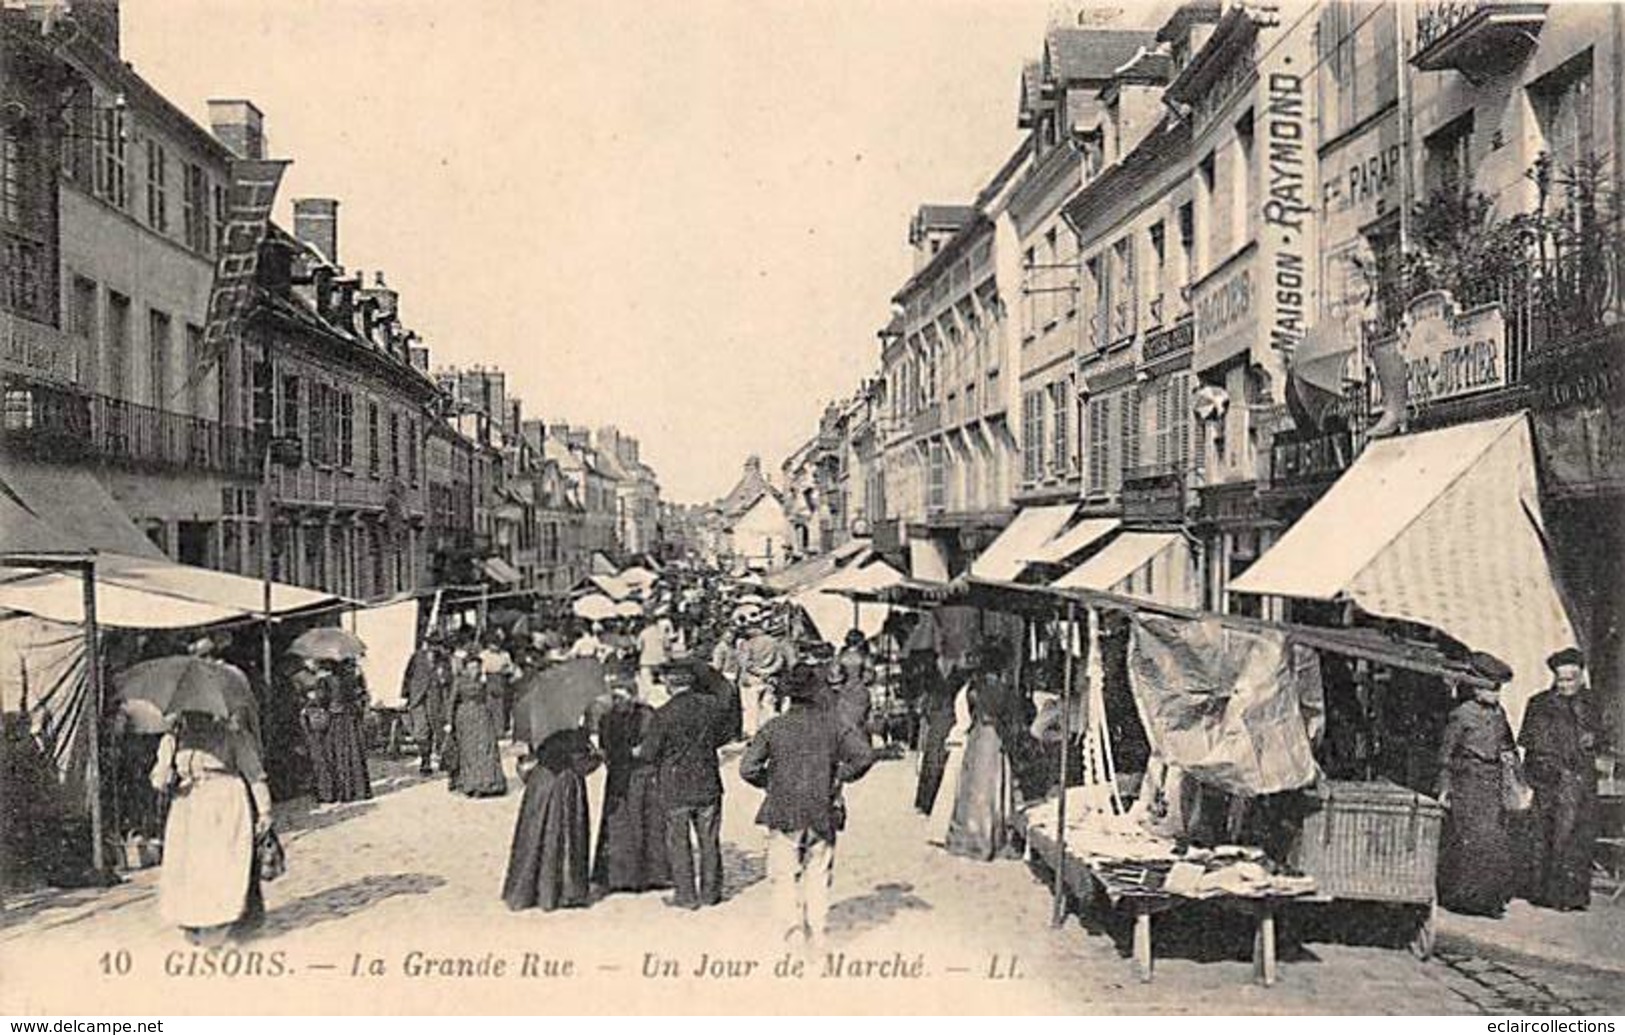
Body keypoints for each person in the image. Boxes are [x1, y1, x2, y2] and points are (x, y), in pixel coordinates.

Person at [740, 668, 874, 948]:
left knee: (784, 874)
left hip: (783, 808)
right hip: (822, 808)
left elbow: (748, 768)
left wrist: (771, 783)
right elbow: (863, 755)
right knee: (819, 872)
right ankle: (819, 933)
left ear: (788, 695)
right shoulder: (833, 724)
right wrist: (839, 775)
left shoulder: (774, 727)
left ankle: (792, 935)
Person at [150, 711, 272, 945]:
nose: (195, 717)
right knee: (189, 867)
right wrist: (164, 775)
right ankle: (194, 921)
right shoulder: (173, 740)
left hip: (225, 804)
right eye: (190, 712)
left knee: (222, 863)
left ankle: (222, 923)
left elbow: (255, 774)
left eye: (200, 712)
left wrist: (264, 811)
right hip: (188, 807)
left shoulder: (232, 735)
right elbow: (158, 777)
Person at [638, 660, 740, 909]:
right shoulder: (712, 707)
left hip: (675, 784)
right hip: (707, 780)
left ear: (670, 684)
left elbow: (649, 753)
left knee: (679, 841)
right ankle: (711, 893)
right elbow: (726, 734)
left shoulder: (662, 714)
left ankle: (686, 895)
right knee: (709, 839)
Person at [1520, 646, 1613, 911]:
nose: (1564, 685)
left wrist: (1595, 740)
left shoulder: (1593, 703)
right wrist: (1542, 773)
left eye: (1570, 680)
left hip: (1583, 779)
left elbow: (1605, 736)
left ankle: (1574, 896)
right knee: (1549, 835)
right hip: (1550, 779)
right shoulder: (1540, 704)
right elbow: (1531, 743)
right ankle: (1548, 895)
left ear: (1581, 677)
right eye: (1560, 679)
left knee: (1580, 836)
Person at [1436, 652, 1520, 917]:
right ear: (1476, 688)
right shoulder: (1462, 714)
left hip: (1492, 781)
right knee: (1470, 840)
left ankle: (1488, 900)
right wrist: (1444, 788)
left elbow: (1508, 744)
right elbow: (1445, 755)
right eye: (1491, 689)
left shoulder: (1499, 714)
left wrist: (1514, 768)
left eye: (1498, 690)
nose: (1496, 696)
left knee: (1493, 842)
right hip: (1467, 779)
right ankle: (1463, 899)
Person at [502, 727, 601, 912]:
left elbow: (524, 761)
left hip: (541, 783)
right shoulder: (576, 731)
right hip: (568, 785)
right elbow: (586, 763)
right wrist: (597, 755)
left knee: (534, 836)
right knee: (566, 836)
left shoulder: (538, 720)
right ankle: (566, 891)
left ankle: (527, 891)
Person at [591, 684, 671, 894]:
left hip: (634, 775)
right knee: (629, 824)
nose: (619, 700)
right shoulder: (612, 718)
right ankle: (632, 875)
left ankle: (640, 874)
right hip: (628, 776)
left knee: (638, 823)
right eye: (616, 696)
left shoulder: (643, 715)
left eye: (622, 695)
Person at [947, 640, 1021, 861]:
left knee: (974, 787)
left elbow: (970, 710)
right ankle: (989, 839)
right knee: (992, 787)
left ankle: (971, 839)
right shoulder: (1003, 688)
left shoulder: (976, 686)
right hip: (994, 736)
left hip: (978, 734)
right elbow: (1010, 713)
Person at [449, 655, 507, 797]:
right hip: (465, 717)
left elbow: (498, 693)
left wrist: (489, 682)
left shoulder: (484, 680)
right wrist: (449, 722)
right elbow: (451, 702)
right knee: (469, 751)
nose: (475, 670)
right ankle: (471, 784)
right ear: (466, 668)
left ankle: (490, 784)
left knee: (486, 748)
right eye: (472, 667)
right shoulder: (459, 681)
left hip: (482, 716)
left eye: (477, 667)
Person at [326, 658, 373, 802]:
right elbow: (363, 696)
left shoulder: (328, 680)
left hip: (337, 719)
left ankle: (343, 791)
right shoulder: (353, 678)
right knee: (355, 753)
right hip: (352, 719)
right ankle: (359, 790)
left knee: (339, 755)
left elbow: (323, 699)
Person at [403, 636, 449, 776]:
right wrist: (405, 695)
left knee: (437, 729)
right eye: (432, 645)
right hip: (418, 698)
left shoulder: (443, 660)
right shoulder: (417, 657)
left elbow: (449, 678)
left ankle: (442, 758)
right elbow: (408, 676)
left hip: (435, 699)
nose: (434, 648)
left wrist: (443, 678)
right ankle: (425, 760)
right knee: (421, 731)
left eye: (437, 645)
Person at [292, 658, 336, 803]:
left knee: (323, 754)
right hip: (310, 718)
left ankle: (326, 790)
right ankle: (322, 789)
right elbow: (296, 699)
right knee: (317, 754)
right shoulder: (300, 677)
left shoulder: (323, 677)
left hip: (320, 718)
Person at [480, 634, 518, 737]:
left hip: (501, 680)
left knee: (502, 706)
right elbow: (482, 669)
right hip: (489, 680)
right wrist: (483, 677)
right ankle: (489, 730)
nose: (495, 646)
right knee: (489, 706)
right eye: (493, 644)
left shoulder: (505, 655)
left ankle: (500, 730)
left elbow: (511, 668)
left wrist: (506, 670)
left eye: (497, 644)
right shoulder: (484, 655)